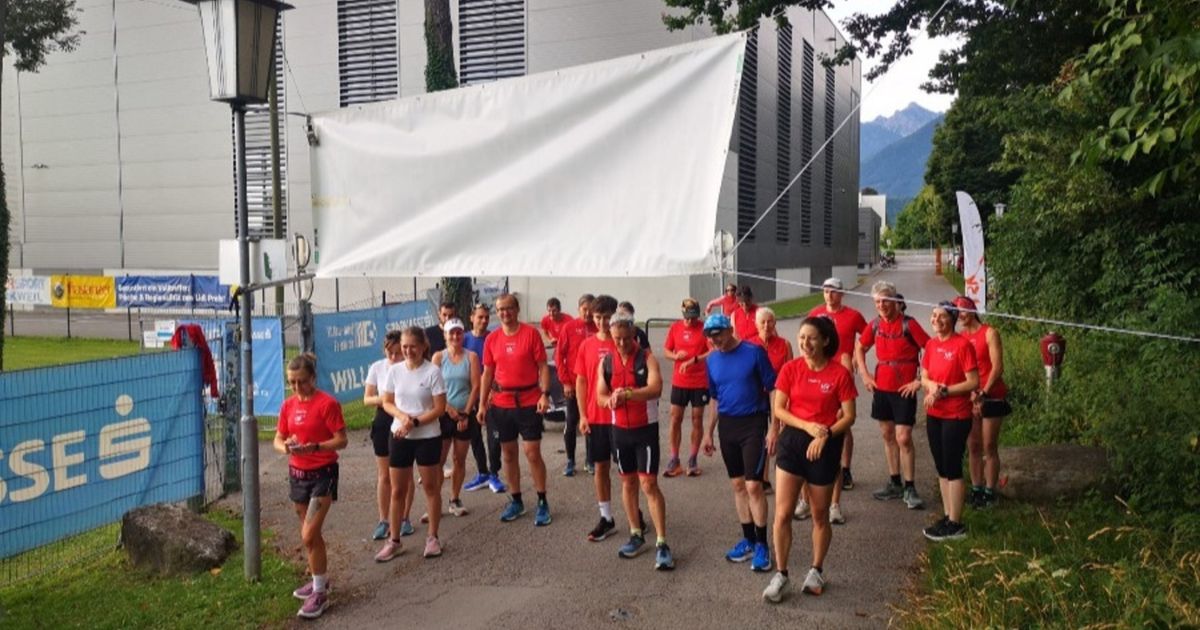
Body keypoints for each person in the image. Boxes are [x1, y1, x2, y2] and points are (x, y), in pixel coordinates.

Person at [763, 317, 856, 603]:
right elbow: (779, 409)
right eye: (802, 338)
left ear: (825, 340)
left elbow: (849, 415)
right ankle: (781, 574)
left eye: (812, 338)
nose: (805, 343)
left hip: (825, 446)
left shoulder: (839, 374)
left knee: (819, 514)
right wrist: (807, 427)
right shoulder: (791, 369)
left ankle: (816, 570)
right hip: (794, 442)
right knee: (782, 514)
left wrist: (824, 434)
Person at [596, 313, 674, 570]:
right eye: (616, 338)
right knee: (628, 482)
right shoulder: (606, 362)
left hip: (645, 430)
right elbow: (599, 395)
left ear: (634, 334)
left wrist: (628, 394)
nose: (621, 343)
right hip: (620, 431)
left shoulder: (646, 358)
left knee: (649, 484)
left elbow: (656, 388)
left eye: (626, 338)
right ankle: (636, 533)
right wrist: (610, 401)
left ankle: (662, 543)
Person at [274, 353, 348, 620]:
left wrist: (315, 447)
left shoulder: (327, 404)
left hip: (323, 474)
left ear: (313, 378)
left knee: (308, 534)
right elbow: (278, 438)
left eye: (302, 382)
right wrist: (287, 447)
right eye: (292, 383)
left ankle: (320, 595)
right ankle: (320, 581)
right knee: (311, 535)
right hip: (297, 474)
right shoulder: (288, 406)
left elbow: (341, 440)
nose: (297, 388)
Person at [701, 313, 777, 573]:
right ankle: (748, 539)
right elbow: (714, 398)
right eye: (711, 338)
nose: (716, 341)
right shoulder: (711, 361)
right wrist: (709, 432)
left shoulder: (753, 352)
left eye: (719, 335)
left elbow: (773, 389)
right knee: (737, 485)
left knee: (754, 485)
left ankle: (762, 545)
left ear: (730, 329)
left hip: (753, 424)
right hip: (727, 425)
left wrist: (774, 427)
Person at [479, 293, 554, 526]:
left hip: (529, 400)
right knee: (508, 454)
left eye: (509, 308)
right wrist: (481, 404)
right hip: (501, 404)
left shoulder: (530, 334)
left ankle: (542, 501)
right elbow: (487, 373)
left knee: (532, 452)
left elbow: (543, 367)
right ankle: (517, 500)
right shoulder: (492, 339)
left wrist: (544, 394)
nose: (505, 313)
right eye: (500, 309)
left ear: (517, 309)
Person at [375, 326, 449, 562]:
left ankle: (433, 537)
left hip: (427, 437)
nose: (408, 351)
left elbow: (439, 408)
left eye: (412, 347)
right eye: (404, 347)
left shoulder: (433, 371)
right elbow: (386, 401)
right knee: (398, 490)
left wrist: (415, 421)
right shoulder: (394, 371)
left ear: (423, 346)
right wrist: (402, 417)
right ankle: (394, 540)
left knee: (430, 487)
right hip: (399, 436)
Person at [856, 281, 931, 510]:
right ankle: (895, 481)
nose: (881, 305)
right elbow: (860, 347)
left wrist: (920, 380)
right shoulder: (876, 325)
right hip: (881, 387)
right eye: (877, 301)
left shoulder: (909, 324)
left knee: (904, 437)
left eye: (885, 300)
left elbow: (930, 348)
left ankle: (910, 486)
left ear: (896, 301)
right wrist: (865, 375)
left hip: (904, 388)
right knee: (888, 435)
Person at [807, 277, 869, 523]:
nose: (830, 295)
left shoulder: (852, 315)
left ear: (841, 293)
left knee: (843, 423)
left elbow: (866, 338)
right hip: (820, 373)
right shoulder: (816, 313)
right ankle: (813, 477)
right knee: (817, 418)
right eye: (826, 290)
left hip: (841, 375)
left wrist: (855, 359)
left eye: (834, 291)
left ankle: (845, 468)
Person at [920, 301, 979, 541]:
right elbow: (924, 376)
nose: (937, 320)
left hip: (956, 414)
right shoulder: (931, 345)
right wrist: (932, 386)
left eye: (943, 316)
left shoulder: (962, 345)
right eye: (934, 316)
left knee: (953, 467)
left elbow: (973, 382)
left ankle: (956, 524)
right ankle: (947, 515)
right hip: (935, 414)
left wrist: (945, 391)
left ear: (952, 319)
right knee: (941, 467)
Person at [954, 295, 1011, 509]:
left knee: (989, 445)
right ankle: (976, 488)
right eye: (957, 312)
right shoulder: (960, 337)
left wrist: (983, 393)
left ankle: (990, 490)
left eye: (963, 310)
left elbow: (997, 367)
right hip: (970, 396)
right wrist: (969, 394)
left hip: (991, 394)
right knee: (974, 445)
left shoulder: (989, 333)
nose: (960, 315)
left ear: (972, 310)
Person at [575, 295, 622, 541]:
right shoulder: (586, 346)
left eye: (607, 317)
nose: (603, 322)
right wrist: (583, 415)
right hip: (596, 417)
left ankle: (635, 513)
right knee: (600, 468)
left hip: (621, 417)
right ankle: (606, 517)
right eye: (598, 318)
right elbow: (581, 381)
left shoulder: (622, 342)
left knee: (628, 472)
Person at [433, 318, 481, 518]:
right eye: (451, 333)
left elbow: (476, 386)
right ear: (445, 335)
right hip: (443, 415)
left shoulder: (471, 357)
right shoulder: (438, 357)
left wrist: (465, 414)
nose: (455, 337)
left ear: (463, 335)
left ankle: (454, 498)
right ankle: (434, 501)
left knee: (458, 459)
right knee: (439, 461)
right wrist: (447, 408)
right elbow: (432, 387)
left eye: (458, 333)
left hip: (464, 415)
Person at [363, 330, 408, 541]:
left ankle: (405, 517)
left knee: (403, 474)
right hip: (383, 419)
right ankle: (384, 519)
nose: (393, 357)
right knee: (384, 475)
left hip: (403, 419)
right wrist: (385, 399)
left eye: (398, 352)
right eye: (390, 352)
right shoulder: (377, 368)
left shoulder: (407, 368)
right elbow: (367, 399)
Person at [661, 298, 711, 478]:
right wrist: (675, 357)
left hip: (699, 381)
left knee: (697, 419)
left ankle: (693, 458)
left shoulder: (704, 328)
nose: (691, 321)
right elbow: (666, 351)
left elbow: (712, 350)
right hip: (680, 381)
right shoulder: (675, 328)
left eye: (694, 317)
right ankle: (674, 459)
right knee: (676, 418)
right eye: (688, 318)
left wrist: (694, 359)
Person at [749, 306, 793, 496]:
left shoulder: (784, 344)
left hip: (780, 396)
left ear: (775, 323)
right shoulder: (749, 345)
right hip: (757, 397)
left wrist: (789, 403)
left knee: (781, 438)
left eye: (770, 321)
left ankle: (784, 478)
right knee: (761, 438)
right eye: (763, 322)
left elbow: (791, 373)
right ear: (756, 324)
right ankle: (763, 479)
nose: (766, 325)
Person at [556, 293, 597, 476]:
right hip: (573, 386)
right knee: (572, 421)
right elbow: (559, 356)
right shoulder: (569, 328)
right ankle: (570, 460)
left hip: (595, 387)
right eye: (584, 309)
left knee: (592, 422)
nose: (588, 313)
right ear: (579, 308)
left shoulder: (598, 327)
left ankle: (590, 459)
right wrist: (565, 382)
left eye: (591, 309)